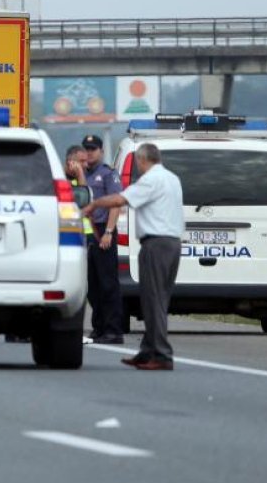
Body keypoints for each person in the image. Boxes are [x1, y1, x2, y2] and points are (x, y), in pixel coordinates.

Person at [82, 143, 183, 371]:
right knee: (158, 298)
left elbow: (119, 200)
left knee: (153, 299)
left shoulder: (151, 179)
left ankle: (161, 355)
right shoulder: (171, 178)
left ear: (142, 160)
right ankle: (148, 350)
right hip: (172, 243)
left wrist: (95, 203)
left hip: (156, 244)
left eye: (138, 161)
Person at [81, 134, 124, 344]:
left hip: (103, 231)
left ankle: (114, 330)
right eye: (87, 149)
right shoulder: (84, 174)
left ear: (101, 151)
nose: (89, 152)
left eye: (93, 149)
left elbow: (116, 204)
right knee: (93, 284)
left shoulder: (107, 174)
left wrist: (109, 231)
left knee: (108, 284)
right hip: (89, 232)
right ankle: (98, 328)